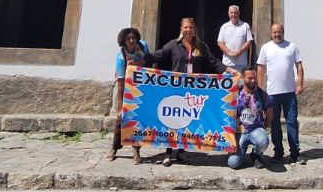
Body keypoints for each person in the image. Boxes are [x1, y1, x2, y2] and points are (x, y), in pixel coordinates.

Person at [151, 17, 235, 167]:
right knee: (172, 120)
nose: (188, 30)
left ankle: (181, 151)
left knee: (186, 121)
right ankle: (168, 152)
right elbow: (159, 55)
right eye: (185, 27)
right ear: (181, 29)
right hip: (176, 89)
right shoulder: (173, 45)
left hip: (192, 91)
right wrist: (139, 60)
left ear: (194, 29)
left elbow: (213, 62)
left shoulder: (201, 46)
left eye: (190, 27)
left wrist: (229, 70)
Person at [256, 22, 303, 164]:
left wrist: (300, 84)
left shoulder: (292, 47)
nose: (277, 34)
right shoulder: (266, 48)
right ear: (271, 33)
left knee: (292, 122)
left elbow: (299, 66)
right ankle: (278, 152)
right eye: (274, 32)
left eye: (279, 32)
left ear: (283, 32)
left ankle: (295, 153)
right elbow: (260, 68)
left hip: (289, 93)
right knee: (275, 124)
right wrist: (260, 87)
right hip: (272, 94)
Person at [109, 27, 149, 164]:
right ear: (123, 41)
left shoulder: (143, 46)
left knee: (137, 120)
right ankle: (114, 148)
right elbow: (120, 84)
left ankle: (136, 151)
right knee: (120, 120)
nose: (131, 41)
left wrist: (139, 63)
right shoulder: (121, 57)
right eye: (128, 39)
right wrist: (120, 107)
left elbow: (148, 62)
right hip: (125, 88)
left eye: (133, 38)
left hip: (140, 87)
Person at [227, 68, 271, 169]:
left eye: (254, 78)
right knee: (233, 163)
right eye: (250, 78)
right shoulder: (234, 93)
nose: (253, 80)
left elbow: (269, 111)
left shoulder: (261, 93)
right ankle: (237, 152)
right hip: (239, 132)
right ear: (242, 77)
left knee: (263, 141)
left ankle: (256, 154)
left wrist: (265, 126)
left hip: (255, 129)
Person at [217, 5, 254, 72]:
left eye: (235, 13)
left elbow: (249, 41)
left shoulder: (245, 26)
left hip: (241, 63)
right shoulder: (224, 27)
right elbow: (220, 42)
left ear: (239, 13)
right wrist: (229, 53)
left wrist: (239, 52)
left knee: (241, 79)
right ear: (228, 14)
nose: (233, 15)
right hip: (227, 63)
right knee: (227, 79)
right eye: (231, 13)